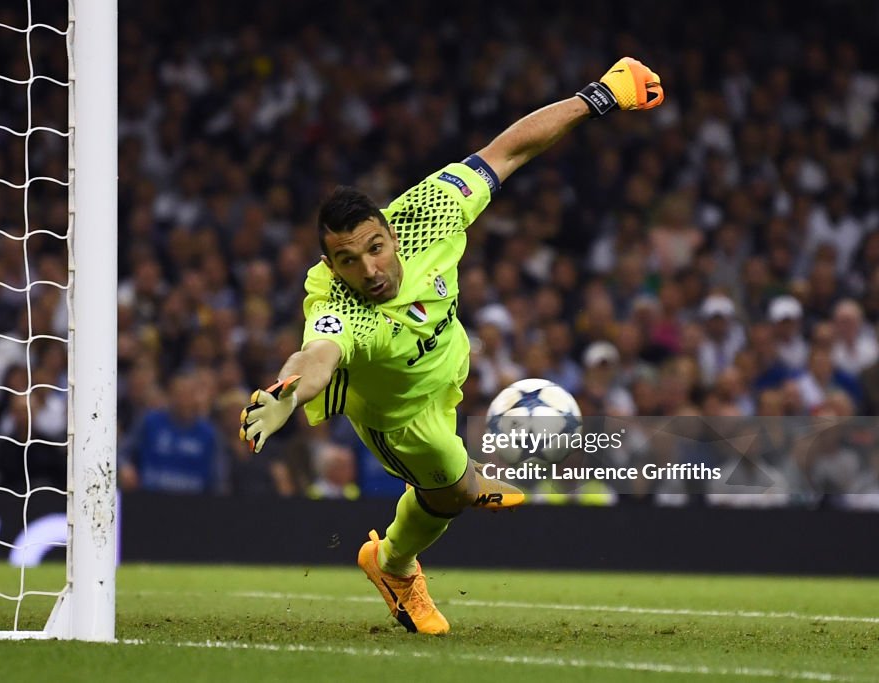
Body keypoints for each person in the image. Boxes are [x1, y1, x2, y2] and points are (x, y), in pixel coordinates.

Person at [239, 58, 664, 634]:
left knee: (454, 486)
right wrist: (286, 395)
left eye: (375, 248)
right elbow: (318, 354)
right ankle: (393, 564)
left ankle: (458, 489)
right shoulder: (340, 305)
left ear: (391, 231)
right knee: (449, 491)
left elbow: (507, 151)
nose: (368, 269)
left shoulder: (425, 215)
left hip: (444, 373)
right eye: (347, 261)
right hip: (399, 415)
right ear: (331, 266)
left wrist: (597, 96)